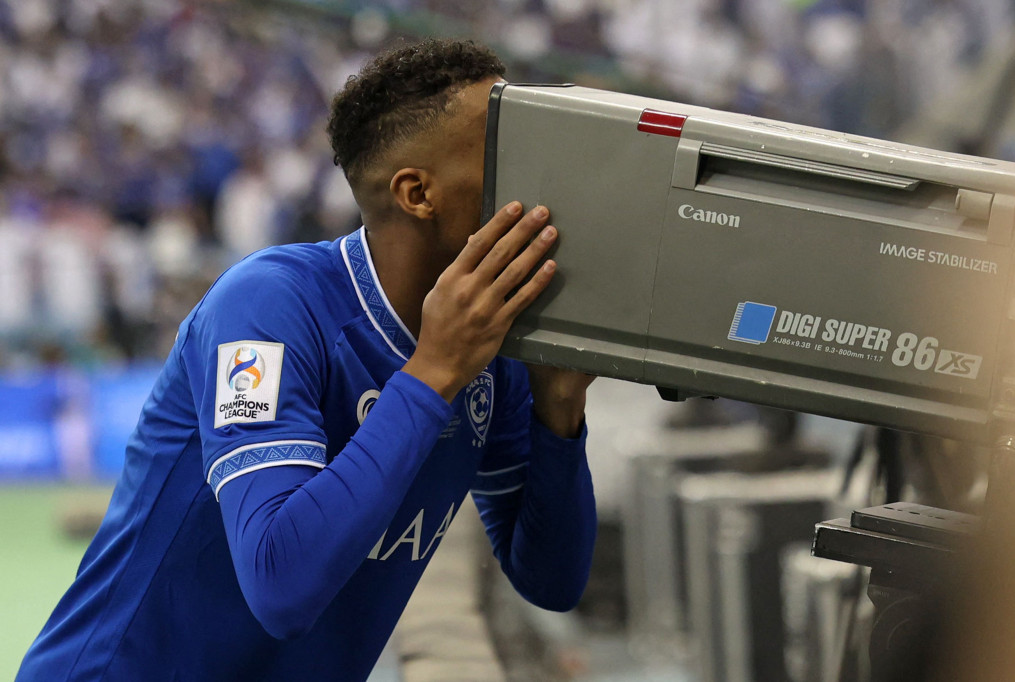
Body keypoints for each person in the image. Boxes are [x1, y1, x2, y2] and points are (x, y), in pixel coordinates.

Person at [17, 38, 597, 681]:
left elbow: (551, 582)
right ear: (417, 193)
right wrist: (433, 372)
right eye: (503, 149)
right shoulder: (267, 306)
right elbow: (281, 586)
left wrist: (560, 408)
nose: (535, 174)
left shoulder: (491, 352)